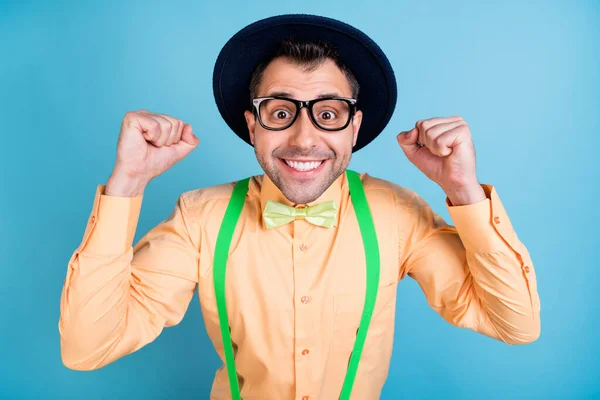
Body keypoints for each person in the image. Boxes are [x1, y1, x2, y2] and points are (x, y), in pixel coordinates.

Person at [59, 14, 541, 400]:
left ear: (354, 128)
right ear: (253, 126)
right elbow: (87, 349)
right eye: (281, 112)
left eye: (328, 114)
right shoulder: (199, 217)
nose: (304, 138)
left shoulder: (396, 213)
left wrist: (464, 190)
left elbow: (513, 324)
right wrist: (127, 184)